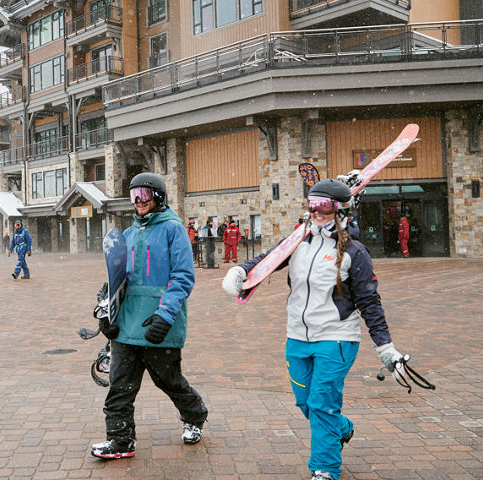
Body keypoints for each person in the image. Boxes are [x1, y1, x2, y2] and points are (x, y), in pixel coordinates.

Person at [222, 179, 406, 480]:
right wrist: (241, 270)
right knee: (306, 402)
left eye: (325, 206)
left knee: (322, 403)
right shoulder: (297, 242)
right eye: (312, 205)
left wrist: (385, 347)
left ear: (342, 211)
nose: (317, 212)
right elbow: (267, 260)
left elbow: (370, 302)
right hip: (297, 337)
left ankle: (325, 468)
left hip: (336, 339)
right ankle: (341, 428)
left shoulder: (355, 253)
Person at [91, 172, 208, 460]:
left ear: (158, 197)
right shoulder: (127, 236)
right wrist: (107, 312)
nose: (138, 201)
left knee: (169, 381)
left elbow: (182, 276)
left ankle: (195, 415)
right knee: (120, 386)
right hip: (128, 325)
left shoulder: (173, 230)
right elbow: (117, 281)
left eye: (143, 194)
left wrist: (165, 314)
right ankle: (120, 441)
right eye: (133, 196)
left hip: (159, 323)